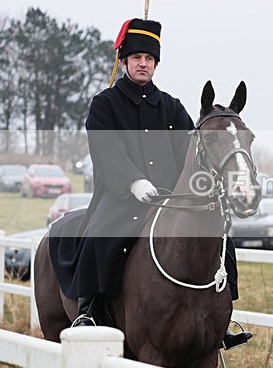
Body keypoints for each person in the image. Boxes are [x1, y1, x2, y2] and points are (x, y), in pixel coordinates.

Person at [50, 17, 251, 349]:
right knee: (103, 235)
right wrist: (134, 183)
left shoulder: (171, 107)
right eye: (136, 58)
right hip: (122, 198)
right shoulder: (104, 105)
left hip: (172, 199)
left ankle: (220, 319)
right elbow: (107, 152)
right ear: (125, 61)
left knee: (219, 242)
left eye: (149, 59)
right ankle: (91, 310)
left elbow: (191, 151)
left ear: (155, 64)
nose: (143, 63)